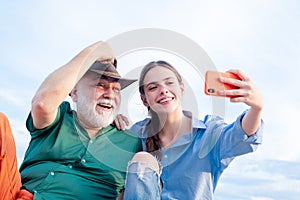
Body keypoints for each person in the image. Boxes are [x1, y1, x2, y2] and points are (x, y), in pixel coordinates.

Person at [0, 41, 142, 200]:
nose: (110, 94)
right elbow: (42, 103)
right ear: (74, 93)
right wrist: (95, 52)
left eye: (116, 89)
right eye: (100, 85)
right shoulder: (58, 117)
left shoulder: (131, 143)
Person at [117, 60, 264, 199]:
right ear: (144, 99)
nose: (163, 90)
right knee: (143, 159)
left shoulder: (208, 134)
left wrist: (257, 108)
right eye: (153, 87)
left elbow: (241, 135)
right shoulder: (135, 134)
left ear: (181, 88)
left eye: (169, 83)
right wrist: (110, 122)